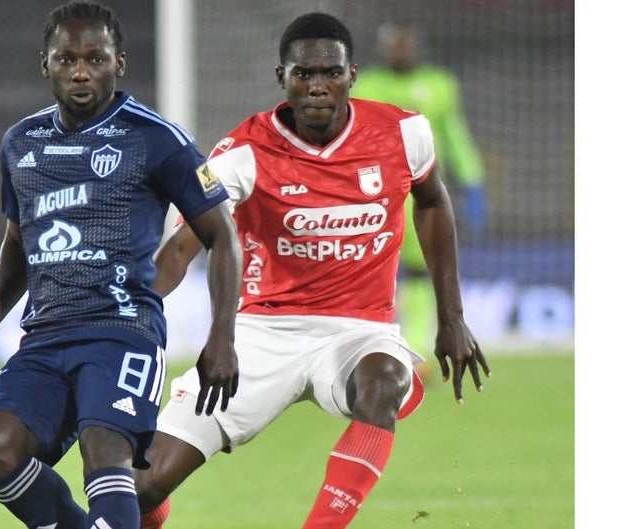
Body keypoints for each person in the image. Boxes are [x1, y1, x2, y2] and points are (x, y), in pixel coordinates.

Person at [135, 12, 491, 529]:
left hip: (357, 332)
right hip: (260, 331)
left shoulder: (404, 133)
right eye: (304, 74)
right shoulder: (243, 152)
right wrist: (128, 315)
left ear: (352, 76)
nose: (318, 86)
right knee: (140, 487)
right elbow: (181, 249)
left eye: (331, 73)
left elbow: (432, 202)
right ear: (282, 77)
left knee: (385, 379)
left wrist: (452, 317)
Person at [0, 3, 242, 529]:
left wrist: (221, 337)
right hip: (46, 335)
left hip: (123, 330)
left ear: (118, 63)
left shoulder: (156, 139)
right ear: (45, 64)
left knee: (105, 454)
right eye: (67, 59)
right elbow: (19, 239)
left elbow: (223, 237)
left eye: (95, 59)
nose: (80, 71)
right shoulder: (21, 143)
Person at [353, 22, 489, 379]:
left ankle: (414, 351)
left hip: (421, 193)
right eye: (394, 45)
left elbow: (454, 135)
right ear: (385, 49)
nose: (401, 50)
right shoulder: (367, 86)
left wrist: (473, 179)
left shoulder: (440, 85)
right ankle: (363, 347)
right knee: (366, 270)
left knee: (420, 270)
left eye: (406, 44)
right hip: (372, 193)